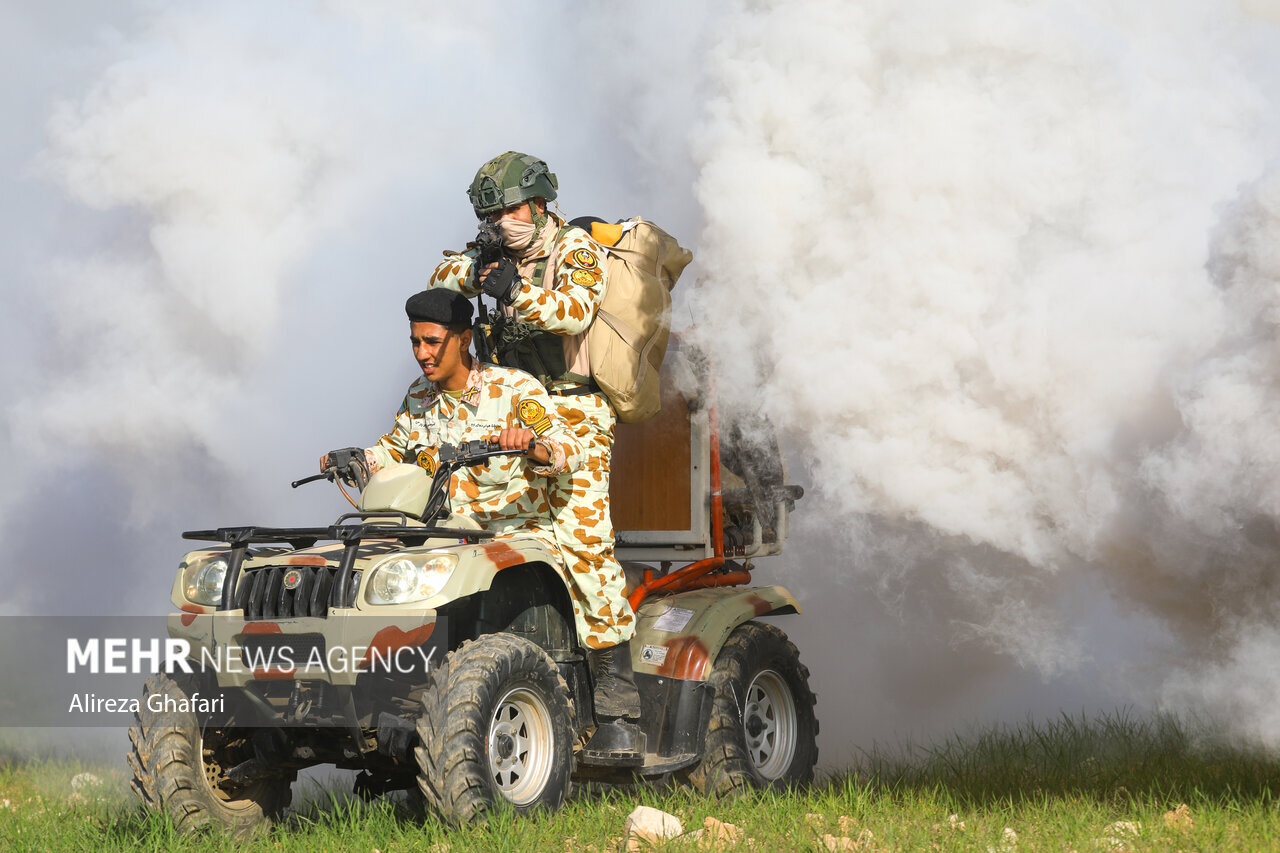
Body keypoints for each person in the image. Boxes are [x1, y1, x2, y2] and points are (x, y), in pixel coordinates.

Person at [322, 287, 643, 758]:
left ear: (464, 339)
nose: (422, 354)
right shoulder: (419, 397)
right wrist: (357, 458)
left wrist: (532, 445)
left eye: (433, 342)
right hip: (446, 536)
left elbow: (566, 448)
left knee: (595, 579)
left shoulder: (513, 390)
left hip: (517, 532)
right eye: (415, 343)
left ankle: (618, 716)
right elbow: (392, 449)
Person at [428, 152, 642, 758]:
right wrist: (477, 268)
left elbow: (573, 309)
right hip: (507, 409)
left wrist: (515, 289)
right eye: (489, 214)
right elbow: (439, 278)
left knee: (584, 549)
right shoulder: (491, 252)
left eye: (508, 211)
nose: (501, 222)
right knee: (481, 531)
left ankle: (618, 714)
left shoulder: (574, 248)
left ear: (540, 205)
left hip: (573, 410)